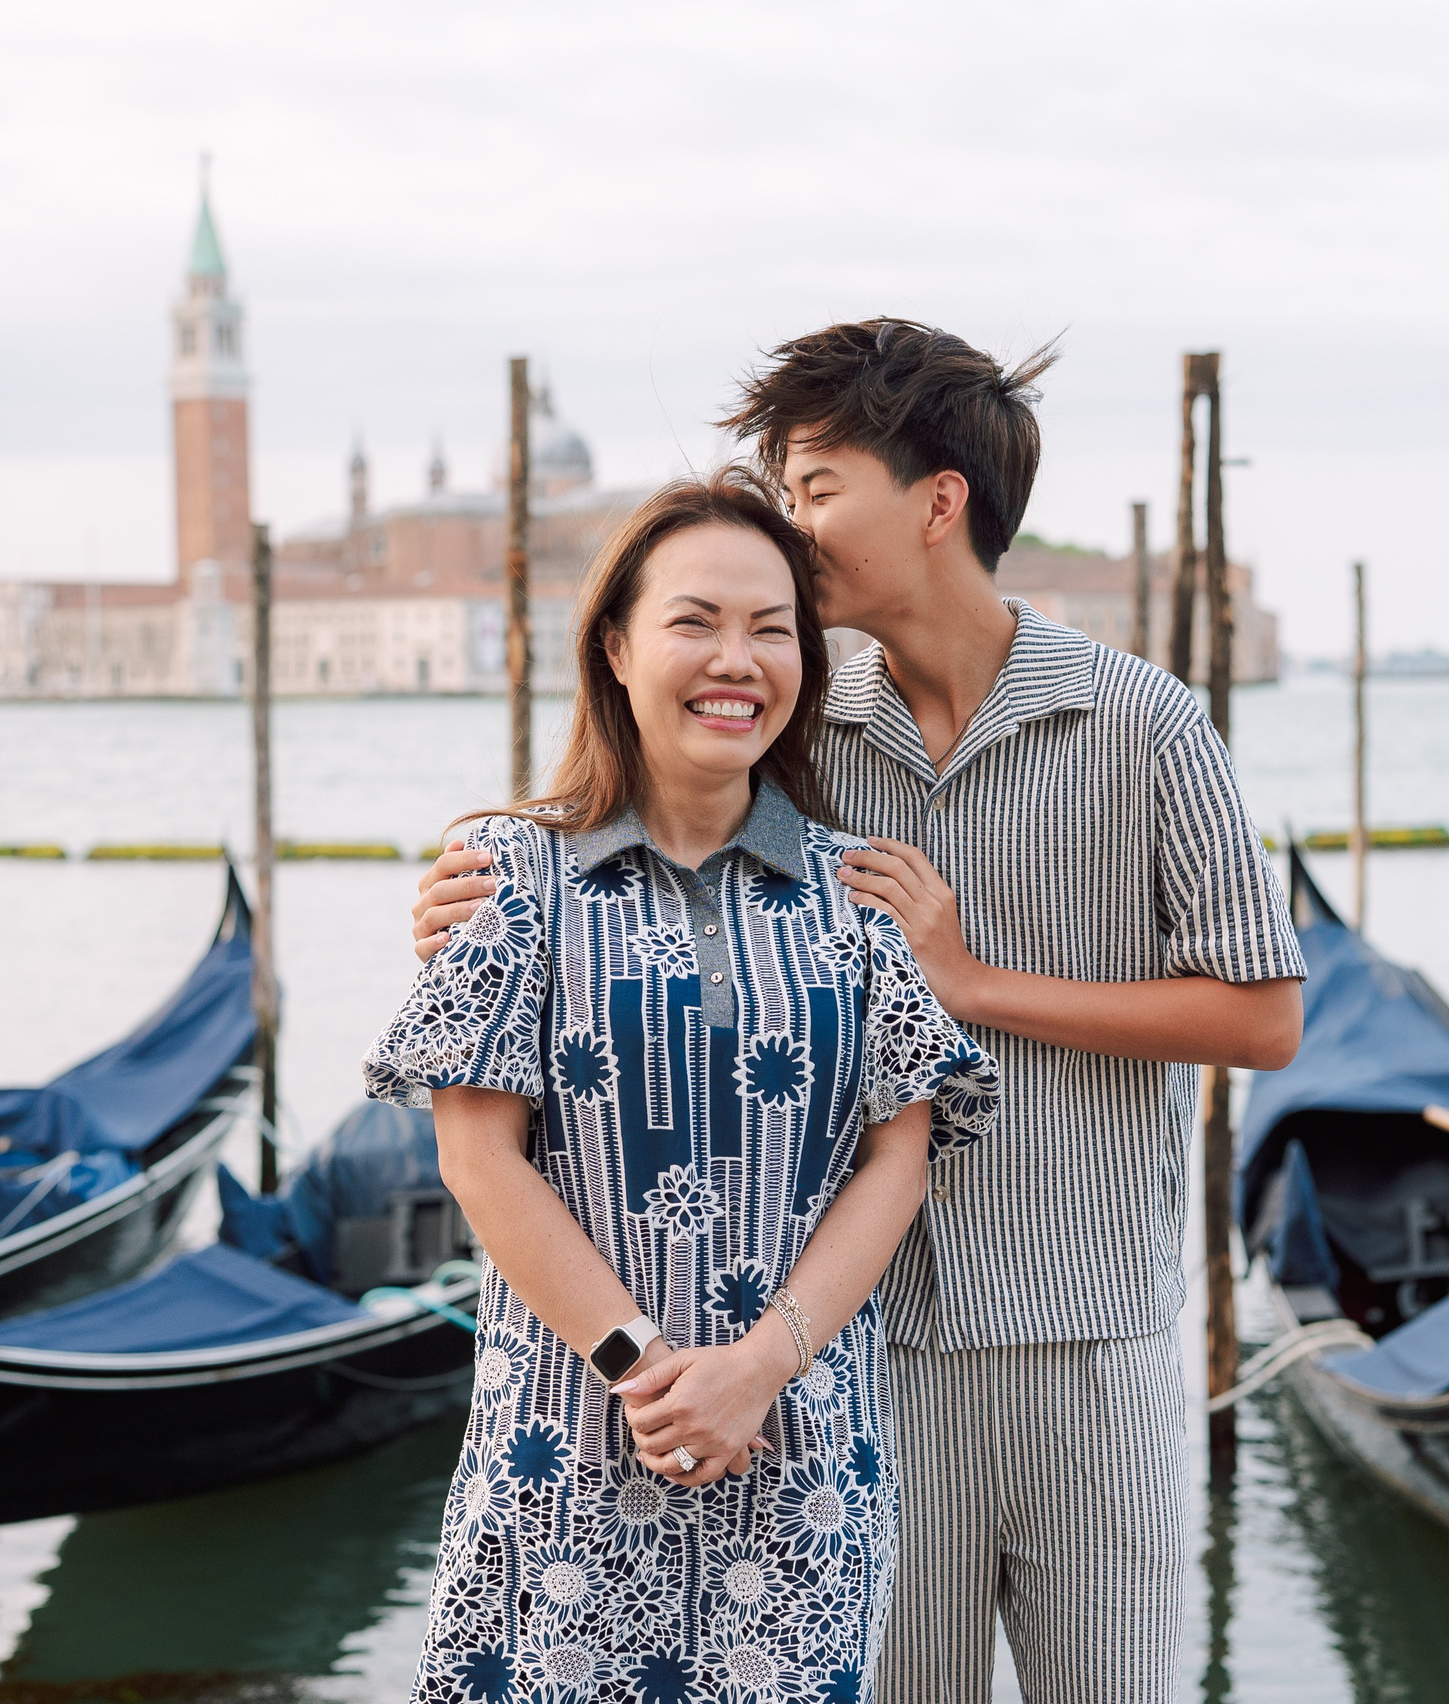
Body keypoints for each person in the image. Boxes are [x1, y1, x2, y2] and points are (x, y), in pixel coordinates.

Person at [412, 322, 1305, 1703]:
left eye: (817, 487)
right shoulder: (798, 725)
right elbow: (633, 851)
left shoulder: (1143, 725)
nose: (793, 522)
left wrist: (976, 987)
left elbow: (1262, 1019)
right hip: (860, 1345)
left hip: (1085, 1324)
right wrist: (475, 906)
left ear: (939, 502)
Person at [364, 467, 1000, 1704]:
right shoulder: (509, 872)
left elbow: (899, 1159)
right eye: (695, 621)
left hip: (798, 1457)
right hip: (564, 1447)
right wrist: (646, 1367)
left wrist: (756, 1369)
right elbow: (477, 1157)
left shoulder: (855, 890)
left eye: (772, 629)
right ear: (614, 645)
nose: (736, 661)